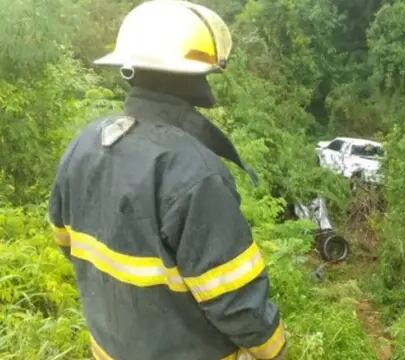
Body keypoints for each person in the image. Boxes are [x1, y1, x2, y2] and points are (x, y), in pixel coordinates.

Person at [47, 1, 285, 359]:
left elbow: (65, 241)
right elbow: (236, 301)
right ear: (195, 78)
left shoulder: (85, 143)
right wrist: (276, 351)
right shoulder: (194, 171)